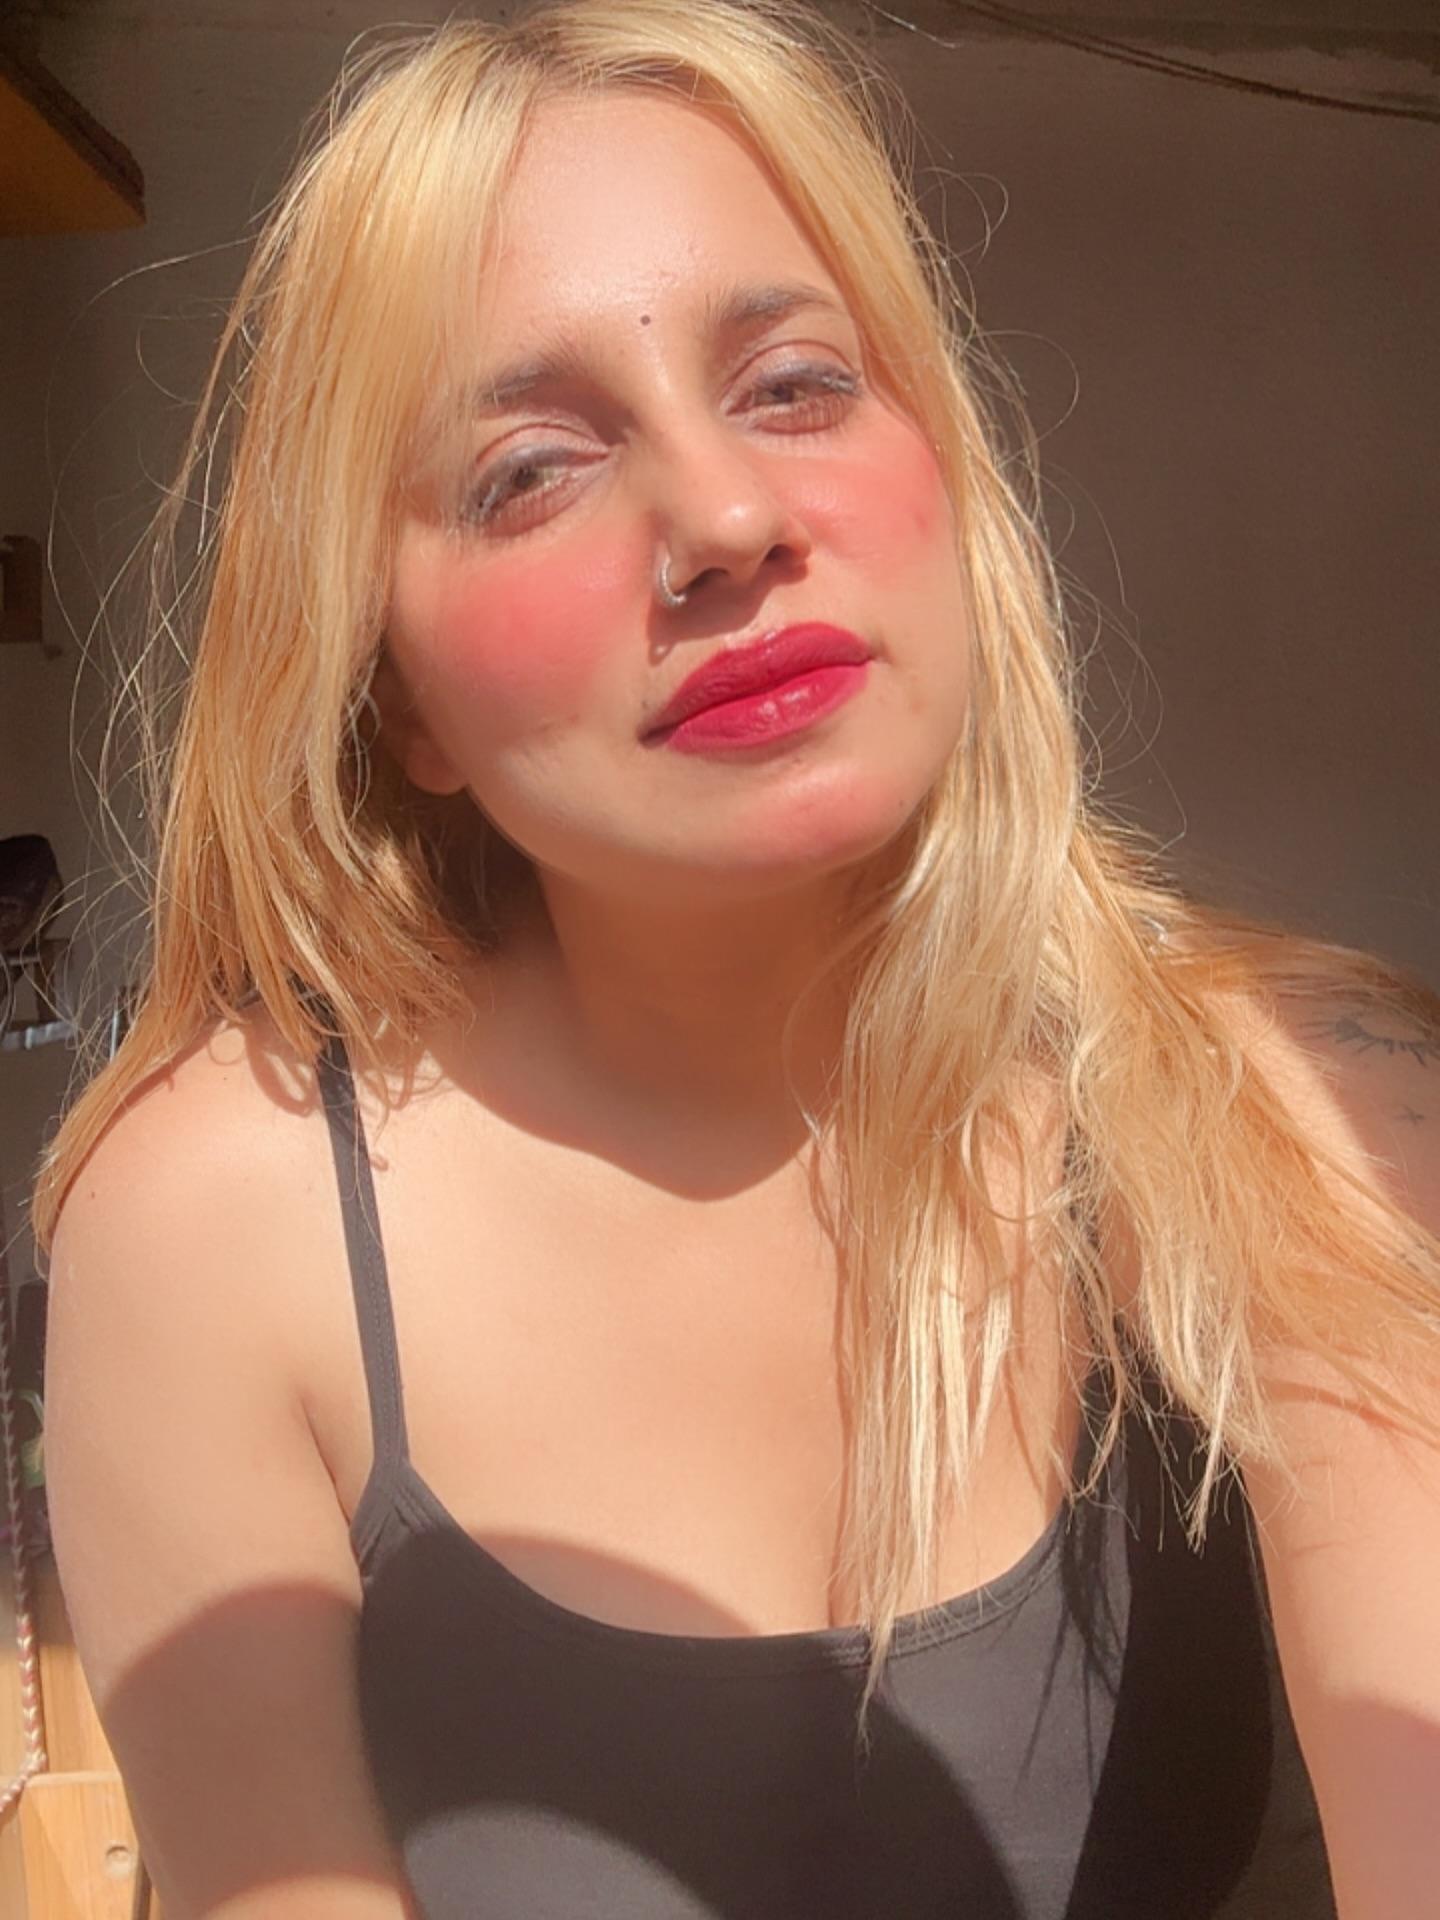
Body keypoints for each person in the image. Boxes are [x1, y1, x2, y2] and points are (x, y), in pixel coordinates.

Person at [30, 2, 1440, 1916]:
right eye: (528, 470)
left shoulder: (1292, 1106)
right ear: (395, 694)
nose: (723, 518)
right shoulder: (221, 1223)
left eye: (794, 385)